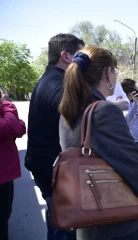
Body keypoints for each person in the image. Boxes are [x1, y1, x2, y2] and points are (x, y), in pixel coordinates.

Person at [59, 46, 138, 240]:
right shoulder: (105, 110)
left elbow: (94, 156)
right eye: (115, 71)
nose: (116, 76)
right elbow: (134, 174)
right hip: (115, 223)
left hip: (86, 218)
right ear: (108, 73)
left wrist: (137, 152)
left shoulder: (70, 108)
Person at [24, 33, 84, 240]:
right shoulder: (61, 85)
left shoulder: (48, 79)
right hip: (55, 172)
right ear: (66, 56)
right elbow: (76, 131)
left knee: (57, 221)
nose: (84, 62)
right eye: (80, 55)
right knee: (64, 228)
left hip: (46, 167)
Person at [0, 85, 26, 240]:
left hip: (4, 175)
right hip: (2, 176)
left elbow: (19, 128)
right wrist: (6, 103)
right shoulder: (5, 106)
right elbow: (11, 127)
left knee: (4, 216)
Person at [121, 78, 138, 148]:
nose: (137, 89)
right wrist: (135, 105)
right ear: (130, 90)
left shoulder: (133, 102)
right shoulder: (124, 104)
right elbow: (127, 120)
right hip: (130, 141)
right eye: (135, 87)